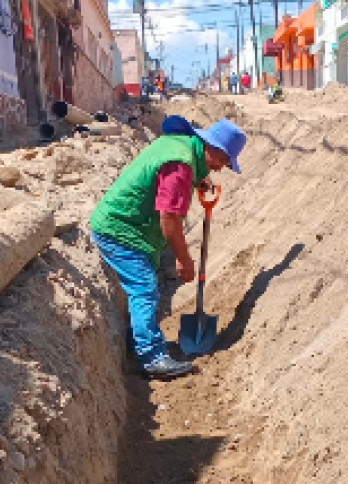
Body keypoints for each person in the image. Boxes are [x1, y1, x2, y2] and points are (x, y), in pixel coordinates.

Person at [90, 116, 247, 379]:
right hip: (121, 229)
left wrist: (199, 177)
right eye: (222, 160)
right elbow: (170, 219)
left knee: (142, 288)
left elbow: (169, 174)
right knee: (144, 289)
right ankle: (151, 358)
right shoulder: (180, 166)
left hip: (132, 226)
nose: (220, 168)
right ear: (210, 147)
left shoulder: (181, 145)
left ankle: (136, 338)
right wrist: (184, 259)